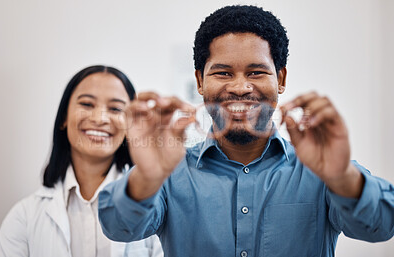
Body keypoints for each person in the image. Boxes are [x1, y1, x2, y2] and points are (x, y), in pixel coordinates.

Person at [98, 5, 394, 257]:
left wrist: (342, 177)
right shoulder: (168, 175)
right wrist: (146, 179)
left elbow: (382, 224)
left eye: (256, 72)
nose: (240, 87)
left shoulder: (324, 171)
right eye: (223, 73)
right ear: (200, 81)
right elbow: (118, 227)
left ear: (280, 78)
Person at [0, 65, 163, 257]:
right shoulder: (24, 216)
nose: (100, 119)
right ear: (64, 117)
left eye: (115, 108)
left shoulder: (156, 213)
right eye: (87, 104)